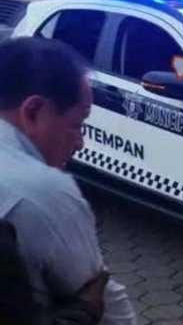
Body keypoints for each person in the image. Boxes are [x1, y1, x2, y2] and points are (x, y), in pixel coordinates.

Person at [0, 38, 136, 324]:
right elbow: (109, 309)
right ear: (33, 112)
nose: (80, 143)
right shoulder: (41, 192)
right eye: (76, 124)